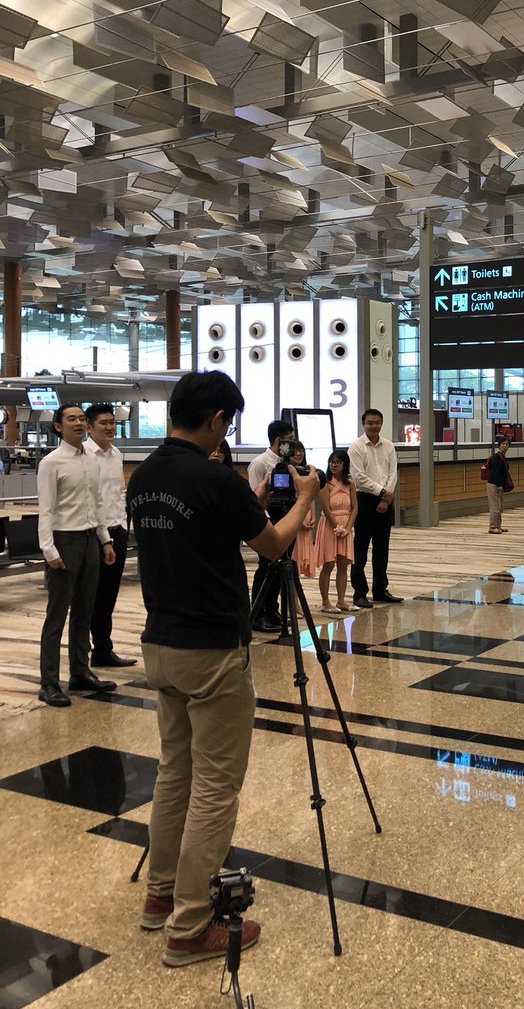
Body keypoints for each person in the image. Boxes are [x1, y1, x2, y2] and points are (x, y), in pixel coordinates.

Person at [127, 371, 319, 967]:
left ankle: (159, 896)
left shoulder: (145, 476)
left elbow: (197, 536)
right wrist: (307, 499)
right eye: (226, 422)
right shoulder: (216, 477)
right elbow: (272, 546)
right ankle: (190, 927)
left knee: (174, 773)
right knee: (214, 787)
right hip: (212, 650)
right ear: (213, 418)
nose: (226, 433)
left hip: (160, 642)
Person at [36, 404, 117, 707]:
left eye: (82, 418)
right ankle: (48, 682)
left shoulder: (91, 460)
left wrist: (105, 539)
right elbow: (45, 509)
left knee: (85, 611)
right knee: (57, 615)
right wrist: (48, 549)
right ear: (58, 426)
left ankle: (80, 672)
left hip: (89, 541)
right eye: (72, 419)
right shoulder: (51, 463)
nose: (79, 423)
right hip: (64, 541)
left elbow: (96, 503)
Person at [84, 403, 135, 669]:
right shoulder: (85, 455)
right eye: (103, 423)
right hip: (95, 533)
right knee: (90, 594)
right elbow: (92, 500)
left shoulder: (115, 453)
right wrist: (104, 538)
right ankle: (86, 652)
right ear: (90, 428)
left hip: (118, 529)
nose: (109, 427)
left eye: (112, 422)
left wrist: (123, 526)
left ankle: (103, 649)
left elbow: (118, 492)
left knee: (109, 594)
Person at [348, 408, 403, 607]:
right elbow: (358, 476)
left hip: (384, 501)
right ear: (363, 424)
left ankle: (380, 589)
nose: (373, 426)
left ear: (381, 423)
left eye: (377, 422)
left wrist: (386, 498)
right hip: (364, 500)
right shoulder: (356, 447)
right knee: (360, 549)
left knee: (382, 548)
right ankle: (359, 593)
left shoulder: (388, 446)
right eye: (370, 422)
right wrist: (382, 492)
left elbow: (392, 473)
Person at [247, 419, 295, 631]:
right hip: (267, 521)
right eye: (290, 440)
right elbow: (254, 497)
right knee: (266, 568)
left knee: (281, 567)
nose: (292, 444)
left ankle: (272, 609)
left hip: (285, 518)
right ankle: (257, 614)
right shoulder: (260, 463)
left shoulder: (289, 463)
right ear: (279, 440)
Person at [315, 449, 357, 613]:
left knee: (342, 564)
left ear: (344, 465)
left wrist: (347, 528)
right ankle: (326, 602)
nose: (334, 465)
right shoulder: (325, 484)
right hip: (329, 526)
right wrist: (337, 527)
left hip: (345, 526)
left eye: (338, 462)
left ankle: (341, 600)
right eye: (332, 462)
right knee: (329, 564)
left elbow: (355, 509)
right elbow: (326, 509)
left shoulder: (350, 485)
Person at [289, 442, 317, 580]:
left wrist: (313, 517)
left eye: (301, 451)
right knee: (292, 562)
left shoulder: (307, 472)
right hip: (293, 519)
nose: (299, 454)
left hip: (306, 519)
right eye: (295, 451)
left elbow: (310, 497)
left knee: (300, 565)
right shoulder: (287, 473)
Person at [486, 435, 511, 534]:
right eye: (503, 444)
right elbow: (495, 472)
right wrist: (499, 485)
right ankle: (492, 527)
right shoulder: (497, 457)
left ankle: (498, 526)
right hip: (494, 484)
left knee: (499, 506)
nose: (505, 446)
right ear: (499, 446)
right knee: (495, 506)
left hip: (498, 484)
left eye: (507, 444)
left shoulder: (503, 457)